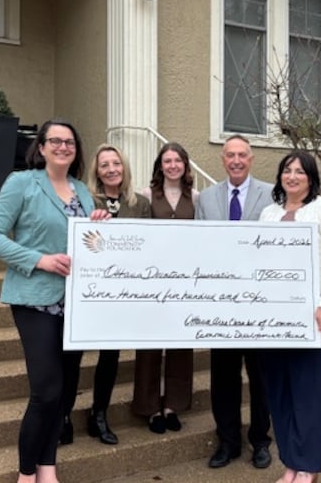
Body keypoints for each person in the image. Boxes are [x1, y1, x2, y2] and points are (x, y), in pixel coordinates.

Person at [0, 119, 111, 483]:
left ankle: (47, 468)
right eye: (55, 140)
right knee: (46, 390)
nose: (63, 147)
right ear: (40, 147)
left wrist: (99, 226)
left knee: (64, 392)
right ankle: (26, 474)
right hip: (34, 300)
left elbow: (88, 245)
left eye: (70, 142)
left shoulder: (82, 191)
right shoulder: (21, 183)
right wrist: (40, 260)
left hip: (75, 304)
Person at [258, 150, 321, 483]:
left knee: (306, 393)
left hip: (311, 319)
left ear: (310, 178)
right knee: (279, 392)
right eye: (287, 170)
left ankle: (308, 466)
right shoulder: (268, 213)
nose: (292, 176)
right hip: (272, 319)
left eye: (300, 171)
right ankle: (290, 463)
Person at [194, 134, 273, 469]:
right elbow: (198, 243)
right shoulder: (207, 198)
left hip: (259, 304)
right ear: (222, 160)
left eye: (242, 155)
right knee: (223, 376)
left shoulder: (271, 194)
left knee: (260, 377)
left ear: (251, 159)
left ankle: (260, 441)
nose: (236, 160)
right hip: (221, 304)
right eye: (230, 155)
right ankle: (228, 441)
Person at [65, 143, 151, 445]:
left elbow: (148, 245)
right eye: (105, 165)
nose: (112, 169)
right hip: (87, 292)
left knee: (110, 356)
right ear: (97, 172)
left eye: (116, 163)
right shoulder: (84, 199)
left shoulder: (140, 204)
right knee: (72, 357)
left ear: (124, 167)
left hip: (121, 294)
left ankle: (99, 414)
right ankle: (63, 415)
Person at [132, 141, 199, 433]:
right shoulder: (145, 196)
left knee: (180, 343)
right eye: (167, 161)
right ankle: (149, 408)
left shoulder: (196, 197)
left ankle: (173, 405)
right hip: (152, 281)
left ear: (185, 165)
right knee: (149, 344)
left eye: (177, 161)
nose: (173, 166)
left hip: (184, 280)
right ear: (160, 166)